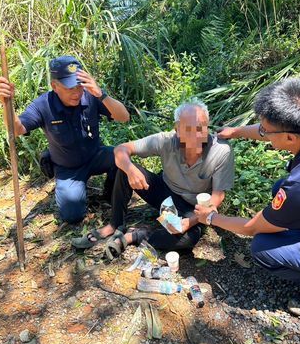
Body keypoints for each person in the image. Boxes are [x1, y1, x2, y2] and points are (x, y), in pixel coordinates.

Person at [195, 77, 300, 317]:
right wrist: (234, 132)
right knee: (279, 189)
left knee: (264, 248)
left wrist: (211, 217)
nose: (263, 133)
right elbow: (273, 129)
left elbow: (251, 227)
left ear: (289, 138)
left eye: (267, 131)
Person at [72, 99, 235, 257]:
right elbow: (121, 149)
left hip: (191, 207)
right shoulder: (166, 140)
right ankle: (115, 225)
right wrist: (130, 170)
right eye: (188, 129)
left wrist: (188, 222)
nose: (196, 136)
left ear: (207, 125)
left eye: (200, 128)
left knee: (189, 238)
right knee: (124, 169)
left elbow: (217, 196)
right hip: (164, 192)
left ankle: (135, 236)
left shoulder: (221, 151)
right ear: (177, 129)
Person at [0, 55, 130, 223]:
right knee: (72, 216)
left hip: (96, 156)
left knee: (123, 157)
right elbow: (16, 129)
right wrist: (6, 103)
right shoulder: (43, 105)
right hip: (68, 169)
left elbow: (124, 117)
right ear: (54, 86)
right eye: (69, 87)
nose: (77, 93)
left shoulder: (90, 96)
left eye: (79, 86)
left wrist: (101, 95)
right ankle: (58, 170)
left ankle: (110, 193)